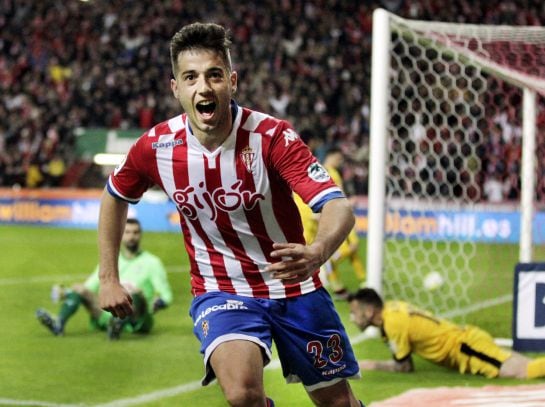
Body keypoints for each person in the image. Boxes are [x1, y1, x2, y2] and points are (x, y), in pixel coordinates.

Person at [97, 22, 364, 407]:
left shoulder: (272, 137)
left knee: (337, 403)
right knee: (242, 395)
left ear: (232, 82)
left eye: (214, 76)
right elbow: (114, 195)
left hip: (295, 289)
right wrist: (108, 277)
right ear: (176, 89)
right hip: (220, 288)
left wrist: (318, 251)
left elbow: (337, 204)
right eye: (190, 78)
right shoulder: (156, 147)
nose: (203, 88)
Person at [348, 287, 545, 379]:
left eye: (355, 313)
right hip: (467, 341)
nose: (352, 318)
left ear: (369, 311)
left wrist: (370, 364)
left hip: (467, 349)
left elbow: (403, 367)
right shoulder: (392, 309)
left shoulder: (393, 324)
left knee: (523, 371)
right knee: (526, 365)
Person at [36, 218, 173, 340]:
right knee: (80, 289)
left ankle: (118, 324)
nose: (132, 236)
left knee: (135, 293)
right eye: (128, 232)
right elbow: (90, 286)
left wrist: (158, 303)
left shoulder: (152, 262)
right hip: (109, 315)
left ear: (140, 235)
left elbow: (166, 295)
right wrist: (66, 292)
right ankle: (58, 323)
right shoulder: (111, 260)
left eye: (135, 232)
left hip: (138, 319)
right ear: (121, 235)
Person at [321, 148, 366, 299]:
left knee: (354, 247)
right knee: (352, 245)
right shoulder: (329, 172)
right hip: (337, 214)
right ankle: (332, 262)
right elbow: (336, 194)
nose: (339, 162)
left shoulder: (327, 171)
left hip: (338, 212)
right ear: (331, 156)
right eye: (338, 158)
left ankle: (363, 280)